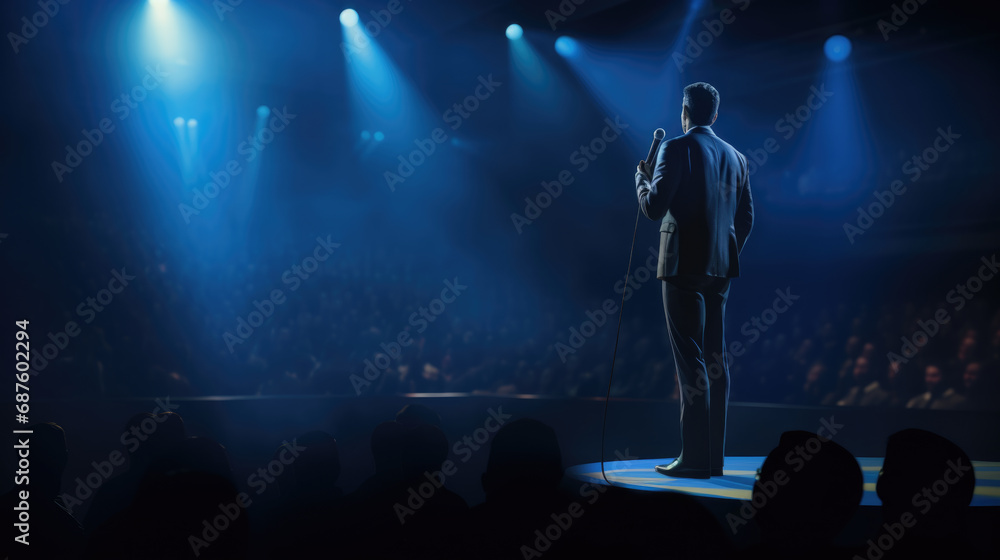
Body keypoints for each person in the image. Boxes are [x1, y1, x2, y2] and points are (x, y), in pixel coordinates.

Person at [635, 81, 754, 478]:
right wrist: (724, 248)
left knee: (692, 363)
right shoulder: (736, 156)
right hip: (721, 269)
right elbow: (747, 217)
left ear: (683, 112)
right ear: (715, 114)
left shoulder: (675, 146)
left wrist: (641, 178)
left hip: (681, 266)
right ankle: (713, 458)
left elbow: (653, 208)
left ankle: (693, 459)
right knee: (716, 362)